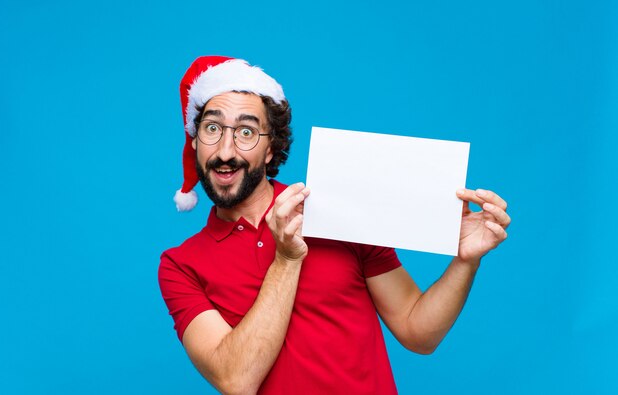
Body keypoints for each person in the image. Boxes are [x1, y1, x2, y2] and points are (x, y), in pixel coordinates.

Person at [158, 55, 511, 395]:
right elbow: (236, 380)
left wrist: (465, 261)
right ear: (194, 141)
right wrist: (287, 259)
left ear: (270, 149)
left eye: (247, 132)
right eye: (213, 128)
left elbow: (417, 332)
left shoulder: (340, 209)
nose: (225, 150)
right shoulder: (179, 265)